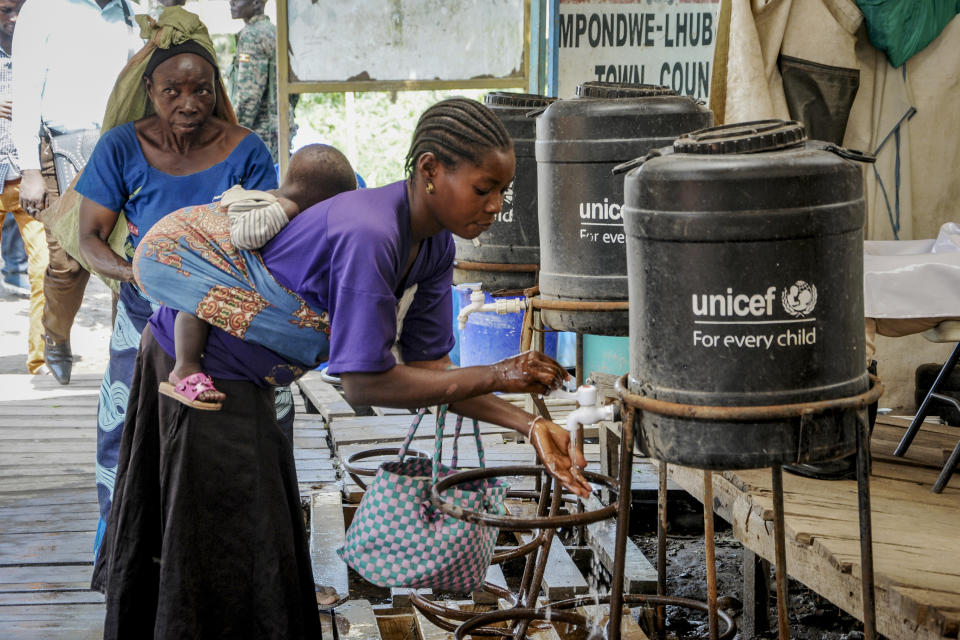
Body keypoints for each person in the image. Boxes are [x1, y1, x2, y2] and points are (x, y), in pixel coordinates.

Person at [93, 97, 591, 638]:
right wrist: (499, 374)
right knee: (217, 552)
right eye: (483, 188)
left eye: (503, 191)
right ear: (429, 171)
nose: (495, 205)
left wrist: (532, 424)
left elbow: (430, 370)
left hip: (253, 381)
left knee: (260, 542)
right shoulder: (372, 233)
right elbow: (363, 380)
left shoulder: (434, 248)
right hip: (200, 375)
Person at [74, 8, 278, 558]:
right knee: (129, 434)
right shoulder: (122, 146)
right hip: (142, 314)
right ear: (148, 89)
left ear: (217, 89)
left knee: (228, 435)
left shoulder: (247, 151)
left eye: (202, 91)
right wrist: (135, 272)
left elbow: (268, 232)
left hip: (228, 319)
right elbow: (90, 234)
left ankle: (223, 554)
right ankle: (123, 548)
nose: (188, 104)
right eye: (172, 91)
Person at [160, 143, 358, 409]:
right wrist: (284, 211)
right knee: (196, 308)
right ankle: (186, 366)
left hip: (244, 346)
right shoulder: (260, 203)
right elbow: (244, 237)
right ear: (314, 200)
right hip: (205, 273)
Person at [11, 0, 141, 385]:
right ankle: (56, 335)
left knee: (125, 256)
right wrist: (30, 169)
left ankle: (125, 354)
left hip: (121, 149)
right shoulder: (41, 8)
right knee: (67, 262)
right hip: (59, 149)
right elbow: (26, 91)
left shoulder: (129, 10)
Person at [0, 0, 50, 375]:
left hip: (30, 178)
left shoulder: (39, 47)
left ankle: (39, 359)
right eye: (4, 9)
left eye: (17, 8)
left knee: (46, 269)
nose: (13, 17)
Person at [228, 0, 293, 162]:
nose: (231, 2)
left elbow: (248, 97)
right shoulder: (274, 32)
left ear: (256, 3)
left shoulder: (252, 35)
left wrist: (232, 135)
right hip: (280, 128)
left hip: (260, 135)